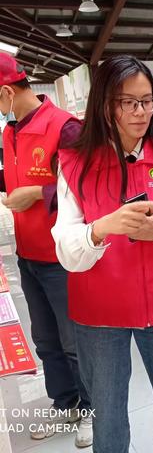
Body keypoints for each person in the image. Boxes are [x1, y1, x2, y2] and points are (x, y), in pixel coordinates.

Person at [51, 56, 153, 453]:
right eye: (126, 102)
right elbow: (65, 246)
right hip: (100, 313)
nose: (139, 112)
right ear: (104, 105)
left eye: (147, 101)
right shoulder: (75, 162)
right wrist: (102, 228)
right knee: (109, 418)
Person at [0, 52, 92, 447]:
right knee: (46, 339)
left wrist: (37, 193)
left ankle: (91, 406)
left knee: (74, 341)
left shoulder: (65, 128)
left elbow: (89, 185)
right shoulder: (11, 130)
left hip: (61, 257)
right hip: (29, 254)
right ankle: (65, 401)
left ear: (6, 91)